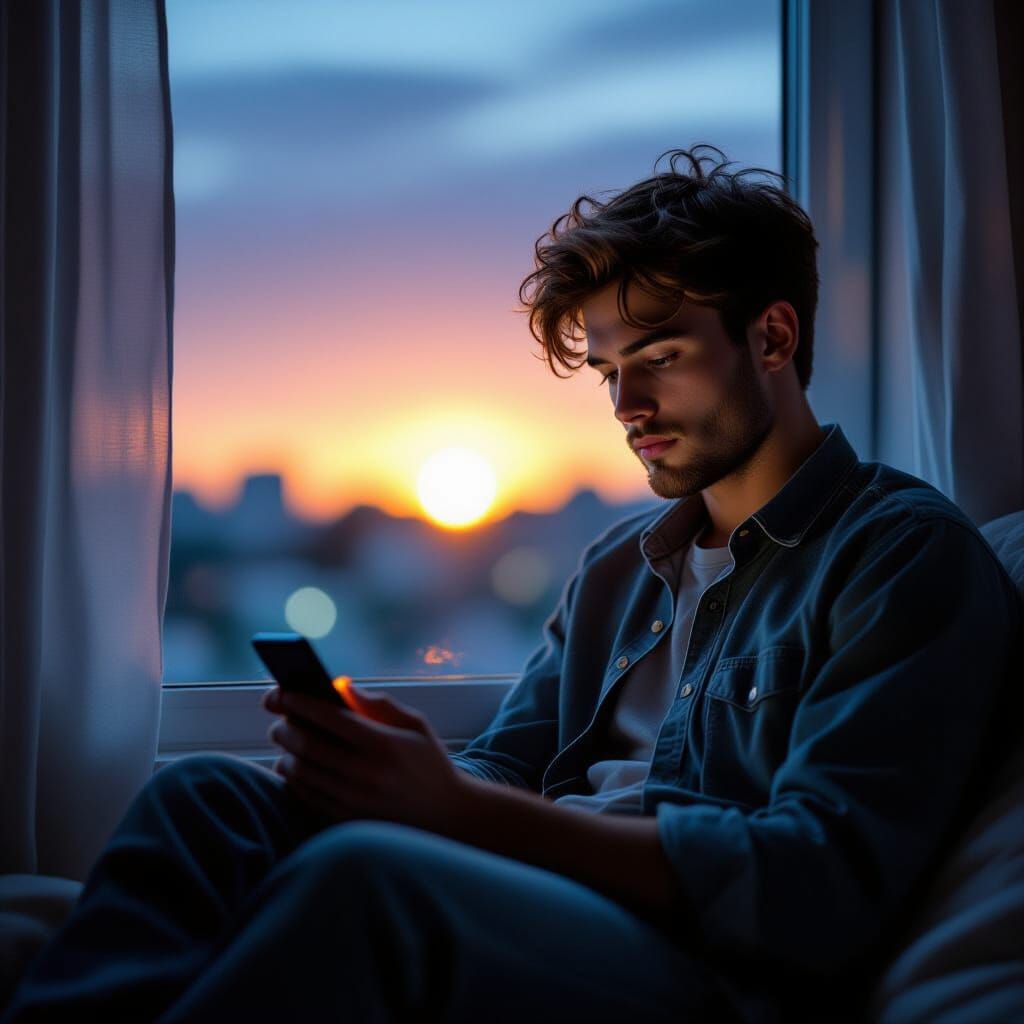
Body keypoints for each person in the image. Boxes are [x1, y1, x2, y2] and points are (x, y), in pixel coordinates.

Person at [4, 145, 1019, 1024]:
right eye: (609, 368)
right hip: (539, 894)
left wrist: (455, 814)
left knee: (366, 882)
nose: (626, 402)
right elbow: (504, 764)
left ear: (772, 337)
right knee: (203, 798)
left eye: (659, 354)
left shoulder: (900, 557)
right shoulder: (622, 566)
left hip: (711, 976)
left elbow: (814, 883)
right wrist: (394, 770)